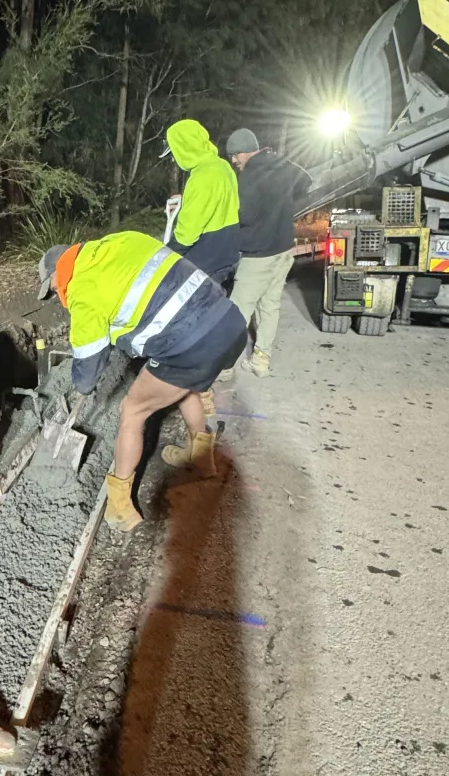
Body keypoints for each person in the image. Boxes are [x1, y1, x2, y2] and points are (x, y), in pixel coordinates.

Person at [37, 234, 247, 532]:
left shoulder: (83, 290)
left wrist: (81, 382)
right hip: (227, 321)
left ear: (57, 276)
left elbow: (86, 377)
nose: (57, 296)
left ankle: (120, 508)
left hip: (192, 343)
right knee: (182, 384)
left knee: (132, 410)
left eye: (53, 289)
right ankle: (201, 459)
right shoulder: (120, 242)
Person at [222, 128, 311, 377]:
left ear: (245, 151)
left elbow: (245, 216)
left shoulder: (250, 176)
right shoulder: (281, 163)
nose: (234, 161)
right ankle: (261, 361)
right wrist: (283, 205)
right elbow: (306, 182)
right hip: (283, 250)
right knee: (269, 305)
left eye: (235, 155)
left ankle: (224, 367)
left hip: (258, 255)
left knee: (238, 310)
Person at [163, 118, 240, 285]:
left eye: (174, 153)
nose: (174, 159)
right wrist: (186, 199)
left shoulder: (201, 177)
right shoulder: (222, 166)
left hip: (207, 262)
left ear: (185, 148)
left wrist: (165, 255)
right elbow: (223, 201)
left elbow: (187, 236)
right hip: (228, 253)